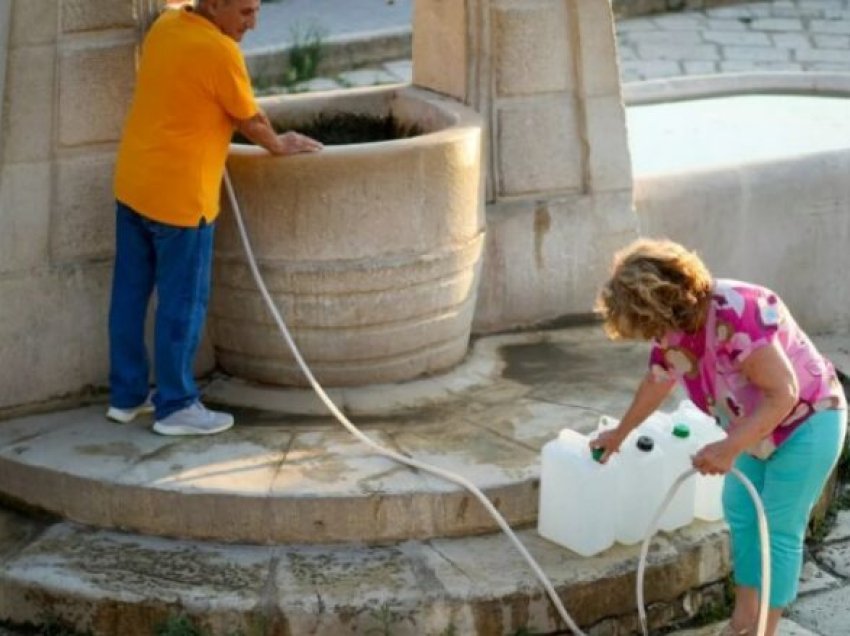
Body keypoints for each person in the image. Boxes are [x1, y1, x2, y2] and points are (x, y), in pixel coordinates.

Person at [591, 239, 847, 636]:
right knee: (741, 512)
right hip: (755, 427)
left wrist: (729, 447)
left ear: (665, 303)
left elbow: (784, 394)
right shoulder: (672, 328)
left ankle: (764, 629)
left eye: (649, 325)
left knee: (778, 528)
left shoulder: (738, 312)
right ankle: (744, 621)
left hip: (808, 421)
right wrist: (619, 434)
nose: (652, 337)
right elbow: (658, 380)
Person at [107, 0, 322, 436]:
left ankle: (126, 397)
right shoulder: (220, 52)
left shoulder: (167, 24)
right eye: (244, 12)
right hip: (181, 202)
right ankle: (176, 406)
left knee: (128, 296)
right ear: (217, 6)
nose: (253, 23)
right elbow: (251, 119)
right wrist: (279, 145)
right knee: (182, 305)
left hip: (133, 185)